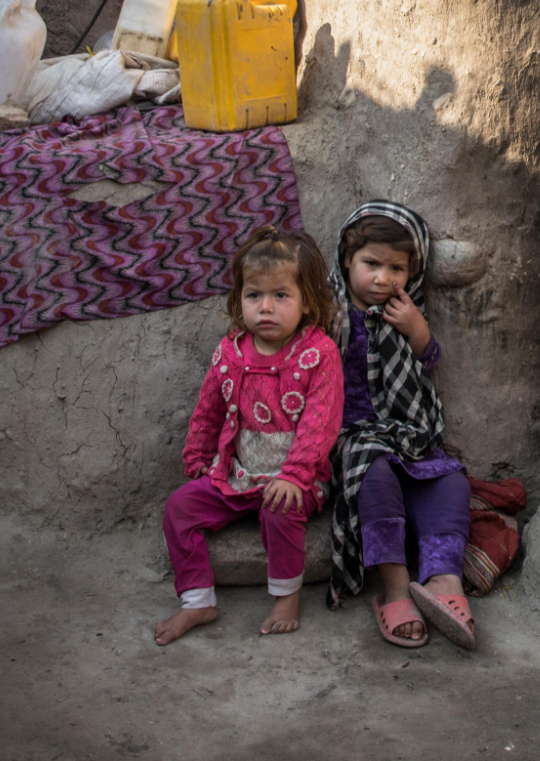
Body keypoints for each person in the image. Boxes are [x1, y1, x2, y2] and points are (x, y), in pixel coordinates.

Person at [155, 227, 342, 645]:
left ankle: (285, 597)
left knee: (280, 510)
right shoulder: (230, 351)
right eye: (254, 295)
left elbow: (321, 422)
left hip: (300, 477)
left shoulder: (319, 353)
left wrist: (294, 474)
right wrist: (200, 459)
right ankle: (197, 600)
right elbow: (209, 408)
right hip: (238, 474)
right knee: (179, 508)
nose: (266, 308)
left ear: (307, 301)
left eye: (281, 295)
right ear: (239, 300)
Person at [327, 201, 476, 649]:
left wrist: (417, 329)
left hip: (408, 433)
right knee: (373, 478)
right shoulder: (329, 315)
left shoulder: (405, 308)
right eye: (371, 264)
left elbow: (428, 362)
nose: (383, 278)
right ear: (347, 260)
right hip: (354, 437)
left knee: (450, 482)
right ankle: (394, 588)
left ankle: (444, 583)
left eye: (397, 268)